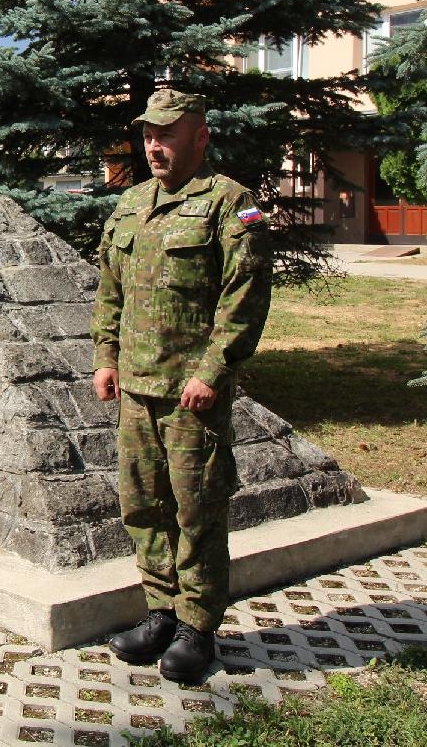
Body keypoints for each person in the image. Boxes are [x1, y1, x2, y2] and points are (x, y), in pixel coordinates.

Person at [91, 89, 273, 683]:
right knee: (142, 505)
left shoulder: (229, 203)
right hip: (136, 390)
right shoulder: (131, 204)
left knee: (197, 509)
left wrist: (213, 372)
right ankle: (161, 613)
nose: (153, 145)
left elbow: (244, 297)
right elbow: (110, 289)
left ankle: (198, 626)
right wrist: (105, 355)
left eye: (166, 135)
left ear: (200, 138)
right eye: (148, 134)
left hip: (191, 393)